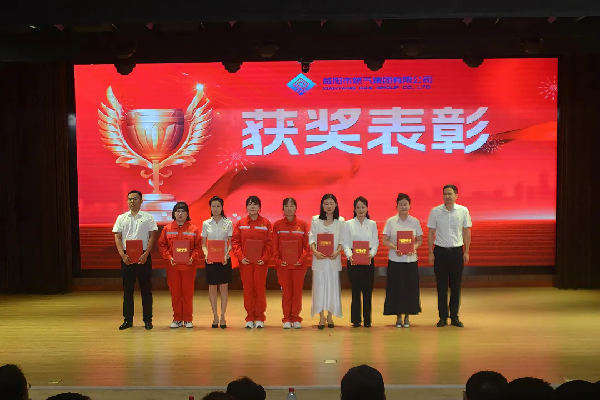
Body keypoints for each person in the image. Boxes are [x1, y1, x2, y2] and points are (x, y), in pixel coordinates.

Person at [113, 190, 158, 330]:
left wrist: (146, 254)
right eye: (130, 199)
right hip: (127, 257)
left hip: (143, 257)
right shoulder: (121, 218)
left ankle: (148, 320)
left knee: (146, 290)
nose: (132, 201)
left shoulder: (148, 217)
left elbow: (152, 236)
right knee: (128, 290)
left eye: (135, 199)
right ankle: (128, 320)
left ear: (141, 201)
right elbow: (117, 237)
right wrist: (122, 255)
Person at [427, 184, 472, 328]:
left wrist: (466, 251)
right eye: (445, 194)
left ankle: (454, 316)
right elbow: (431, 232)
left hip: (457, 252)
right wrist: (430, 252)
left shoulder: (463, 211)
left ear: (456, 195)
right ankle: (442, 317)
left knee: (456, 286)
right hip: (440, 252)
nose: (447, 196)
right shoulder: (435, 211)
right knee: (441, 287)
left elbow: (466, 231)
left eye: (450, 194)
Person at [157, 202, 202, 329]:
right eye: (178, 211)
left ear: (187, 214)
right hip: (173, 266)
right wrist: (169, 257)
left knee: (187, 293)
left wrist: (192, 257)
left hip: (189, 266)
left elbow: (198, 247)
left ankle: (188, 319)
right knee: (175, 293)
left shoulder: (194, 229)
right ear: (174, 213)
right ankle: (177, 318)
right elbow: (162, 245)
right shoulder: (167, 229)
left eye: (183, 211)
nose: (180, 214)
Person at [382, 193, 423, 328]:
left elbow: (419, 240)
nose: (403, 207)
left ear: (410, 206)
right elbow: (385, 240)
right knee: (396, 289)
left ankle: (407, 317)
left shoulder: (415, 222)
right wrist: (396, 248)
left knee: (409, 289)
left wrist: (413, 248)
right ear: (397, 206)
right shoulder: (391, 222)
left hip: (411, 261)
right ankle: (398, 316)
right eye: (401, 204)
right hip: (395, 260)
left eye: (406, 204)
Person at [232, 196, 273, 329]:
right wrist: (241, 257)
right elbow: (235, 242)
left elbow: (271, 243)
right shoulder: (240, 223)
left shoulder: (266, 223)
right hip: (246, 263)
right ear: (246, 207)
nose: (252, 207)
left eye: (255, 204)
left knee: (259, 289)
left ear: (259, 207)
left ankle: (260, 317)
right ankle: (250, 317)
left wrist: (264, 258)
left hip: (261, 263)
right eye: (250, 204)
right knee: (248, 289)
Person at [272, 197, 311, 329]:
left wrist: (301, 259)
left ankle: (296, 318)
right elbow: (274, 245)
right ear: (283, 208)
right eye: (286, 206)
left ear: (296, 208)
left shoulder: (302, 225)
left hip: (299, 266)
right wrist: (278, 260)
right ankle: (287, 318)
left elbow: (307, 246)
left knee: (297, 292)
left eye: (292, 206)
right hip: (283, 266)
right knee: (286, 292)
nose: (289, 208)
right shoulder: (277, 225)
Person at [310, 193, 345, 329]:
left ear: (336, 205)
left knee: (332, 289)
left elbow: (342, 240)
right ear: (322, 205)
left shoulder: (340, 221)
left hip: (333, 260)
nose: (329, 206)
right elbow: (312, 238)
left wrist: (337, 252)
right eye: (326, 203)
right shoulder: (316, 220)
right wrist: (315, 252)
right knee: (319, 289)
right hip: (319, 260)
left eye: (331, 203)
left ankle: (330, 317)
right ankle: (321, 318)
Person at [343, 196, 378, 328]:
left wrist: (371, 254)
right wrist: (350, 255)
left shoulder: (372, 224)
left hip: (368, 260)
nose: (361, 210)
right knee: (355, 291)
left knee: (367, 291)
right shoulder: (348, 224)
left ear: (367, 208)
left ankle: (367, 320)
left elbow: (375, 242)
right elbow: (345, 243)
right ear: (354, 209)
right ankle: (356, 320)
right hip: (354, 261)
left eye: (363, 207)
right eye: (358, 207)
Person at [201, 196, 233, 329]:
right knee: (212, 288)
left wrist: (226, 254)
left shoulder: (228, 223)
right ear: (210, 207)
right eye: (213, 206)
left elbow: (230, 244)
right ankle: (215, 315)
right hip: (211, 260)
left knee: (224, 288)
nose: (215, 208)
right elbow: (204, 244)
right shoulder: (206, 224)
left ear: (222, 207)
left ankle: (223, 316)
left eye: (218, 206)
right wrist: (206, 254)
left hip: (224, 260)